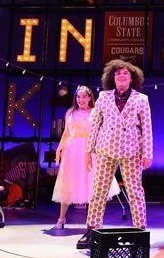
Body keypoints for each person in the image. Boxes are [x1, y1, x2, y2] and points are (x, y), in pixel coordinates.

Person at [77, 60, 153, 249]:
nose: (121, 76)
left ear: (131, 78)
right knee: (98, 191)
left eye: (125, 73)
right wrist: (88, 151)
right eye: (118, 73)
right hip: (105, 148)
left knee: (135, 191)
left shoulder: (141, 99)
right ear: (112, 77)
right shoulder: (103, 97)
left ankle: (139, 231)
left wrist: (148, 153)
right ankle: (91, 230)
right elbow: (95, 124)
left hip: (131, 150)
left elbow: (147, 128)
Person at [51, 85, 120, 230]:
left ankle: (94, 220)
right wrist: (59, 149)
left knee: (92, 183)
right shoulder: (70, 112)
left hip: (90, 149)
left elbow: (101, 132)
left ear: (89, 98)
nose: (81, 99)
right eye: (78, 97)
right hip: (72, 150)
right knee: (68, 182)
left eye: (84, 96)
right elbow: (66, 133)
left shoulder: (95, 112)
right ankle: (61, 218)